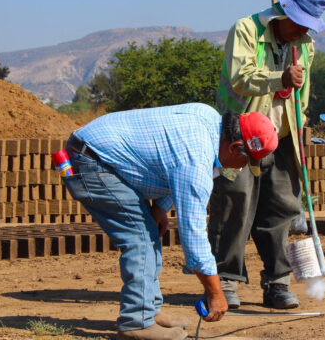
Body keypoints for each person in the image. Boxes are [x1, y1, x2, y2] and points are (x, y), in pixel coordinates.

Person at [61, 103, 278, 340]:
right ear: (235, 147)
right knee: (140, 239)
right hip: (93, 160)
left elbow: (168, 160)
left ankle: (148, 311)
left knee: (147, 233)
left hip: (98, 152)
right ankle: (136, 322)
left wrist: (161, 207)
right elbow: (193, 237)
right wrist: (216, 292)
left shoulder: (209, 121)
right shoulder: (196, 159)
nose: (243, 168)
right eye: (247, 161)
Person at [208, 0, 325, 310]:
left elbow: (302, 94)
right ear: (284, 12)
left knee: (281, 209)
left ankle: (277, 283)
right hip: (240, 134)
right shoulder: (246, 30)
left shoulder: (304, 44)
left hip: (283, 136)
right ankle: (226, 281)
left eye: (308, 26)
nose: (302, 31)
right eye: (298, 23)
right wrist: (280, 78)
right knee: (234, 205)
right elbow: (240, 78)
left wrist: (299, 128)